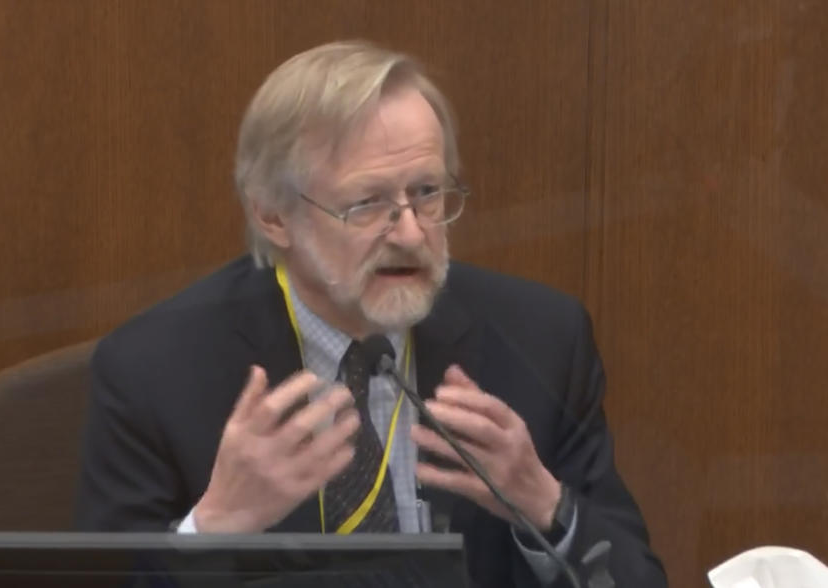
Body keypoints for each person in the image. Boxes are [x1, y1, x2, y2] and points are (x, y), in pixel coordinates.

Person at [76, 40, 667, 587]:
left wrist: (543, 503)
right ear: (274, 216)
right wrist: (216, 526)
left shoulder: (539, 340)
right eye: (367, 204)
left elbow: (636, 579)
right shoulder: (154, 371)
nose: (410, 232)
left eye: (427, 193)